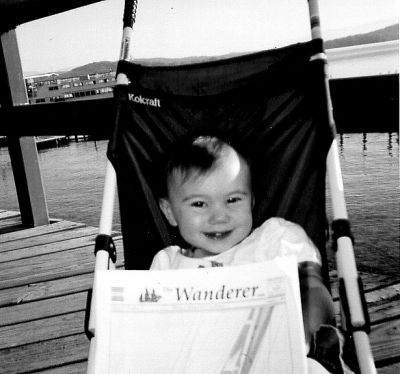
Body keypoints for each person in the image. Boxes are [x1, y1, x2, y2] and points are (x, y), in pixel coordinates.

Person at [150, 135, 354, 374]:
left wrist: (302, 338)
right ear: (170, 212)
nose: (219, 216)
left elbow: (313, 289)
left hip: (277, 358)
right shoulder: (167, 263)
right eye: (199, 204)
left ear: (252, 201)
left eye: (232, 200)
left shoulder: (276, 238)